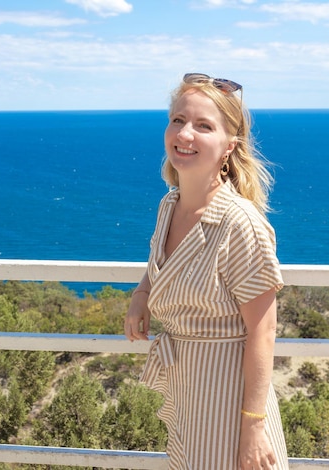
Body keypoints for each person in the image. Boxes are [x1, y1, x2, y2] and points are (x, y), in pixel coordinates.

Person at [124, 73, 289, 469]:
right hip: (189, 397)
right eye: (178, 120)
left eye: (203, 126)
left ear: (229, 145)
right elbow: (161, 266)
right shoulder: (170, 206)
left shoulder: (239, 224)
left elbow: (263, 334)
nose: (185, 134)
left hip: (229, 406)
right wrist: (141, 296)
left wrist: (252, 430)